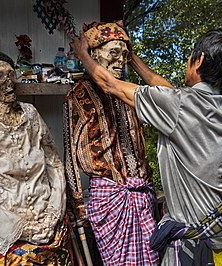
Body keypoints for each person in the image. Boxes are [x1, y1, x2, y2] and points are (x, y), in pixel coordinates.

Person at [70, 28, 222, 265]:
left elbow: (110, 85)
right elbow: (168, 92)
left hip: (205, 249)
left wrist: (83, 55)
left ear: (200, 60)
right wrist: (132, 58)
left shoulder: (179, 106)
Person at [0, 49, 71, 265]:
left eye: (11, 74)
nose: (9, 82)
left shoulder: (31, 114)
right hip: (10, 232)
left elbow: (54, 164)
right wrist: (18, 229)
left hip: (50, 224)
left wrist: (54, 212)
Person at [63, 21, 160, 265]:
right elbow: (71, 152)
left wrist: (147, 179)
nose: (120, 60)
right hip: (110, 197)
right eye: (114, 53)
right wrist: (77, 203)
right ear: (95, 54)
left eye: (125, 55)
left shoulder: (130, 92)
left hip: (141, 193)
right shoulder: (80, 93)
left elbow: (139, 144)